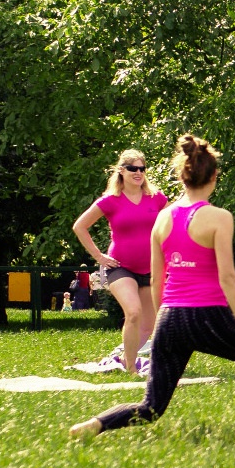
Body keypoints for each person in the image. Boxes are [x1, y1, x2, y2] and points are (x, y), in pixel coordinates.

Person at [71, 134, 235, 439]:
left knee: (151, 406)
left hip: (171, 317)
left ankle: (96, 424)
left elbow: (157, 280)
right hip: (208, 316)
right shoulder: (219, 217)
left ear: (182, 177)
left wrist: (161, 327)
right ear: (214, 176)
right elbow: (228, 277)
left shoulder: (162, 217)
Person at [73, 149, 168, 375]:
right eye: (133, 168)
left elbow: (173, 225)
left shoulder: (157, 198)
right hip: (120, 267)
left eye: (142, 169)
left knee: (150, 323)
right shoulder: (110, 201)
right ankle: (132, 370)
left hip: (151, 269)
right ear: (122, 171)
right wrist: (99, 256)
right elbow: (80, 226)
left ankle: (127, 357)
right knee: (133, 312)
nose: (138, 173)